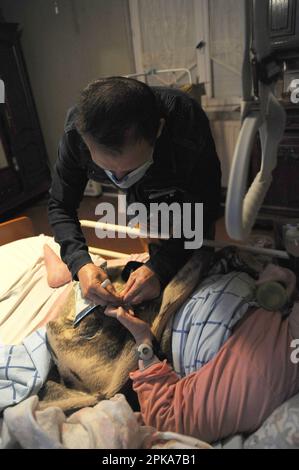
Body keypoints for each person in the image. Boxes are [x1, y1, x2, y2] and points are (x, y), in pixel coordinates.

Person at [48, 77, 222, 307]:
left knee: (196, 263)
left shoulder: (186, 122)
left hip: (182, 189)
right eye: (107, 169)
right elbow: (60, 205)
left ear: (158, 130)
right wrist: (80, 263)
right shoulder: (76, 134)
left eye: (130, 169)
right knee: (150, 231)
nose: (119, 179)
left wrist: (161, 268)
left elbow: (207, 205)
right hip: (148, 200)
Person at [103, 264, 299, 444]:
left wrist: (143, 342)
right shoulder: (283, 338)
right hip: (191, 275)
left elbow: (165, 419)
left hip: (155, 325)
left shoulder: (265, 377)